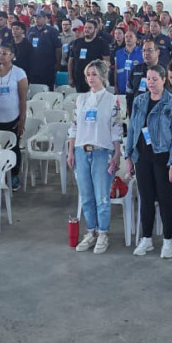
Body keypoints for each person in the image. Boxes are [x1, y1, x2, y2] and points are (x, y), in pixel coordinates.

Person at [124, 65, 172, 259]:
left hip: (162, 156)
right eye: (148, 79)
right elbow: (133, 128)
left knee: (165, 199)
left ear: (163, 79)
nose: (150, 82)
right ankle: (147, 238)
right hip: (142, 156)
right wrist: (128, 155)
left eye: (154, 79)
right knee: (146, 198)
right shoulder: (139, 101)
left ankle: (168, 241)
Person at [68, 60, 122, 254]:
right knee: (86, 196)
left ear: (102, 76)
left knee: (101, 197)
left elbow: (116, 128)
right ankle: (91, 231)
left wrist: (116, 153)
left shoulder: (110, 100)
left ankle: (103, 233)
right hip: (82, 151)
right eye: (88, 74)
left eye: (94, 74)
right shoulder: (81, 99)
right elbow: (74, 127)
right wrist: (71, 151)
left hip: (102, 152)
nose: (91, 78)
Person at [0, 43, 28, 190]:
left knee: (13, 147)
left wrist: (22, 119)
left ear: (12, 56)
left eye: (5, 53)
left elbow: (23, 98)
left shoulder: (19, 73)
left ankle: (14, 175)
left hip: (12, 116)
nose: (1, 56)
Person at [25, 12, 62, 88]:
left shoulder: (52, 31)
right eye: (35, 18)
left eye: (39, 17)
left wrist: (57, 64)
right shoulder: (30, 30)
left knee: (48, 88)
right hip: (33, 66)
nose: (37, 19)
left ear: (45, 19)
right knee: (34, 88)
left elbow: (58, 49)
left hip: (48, 66)